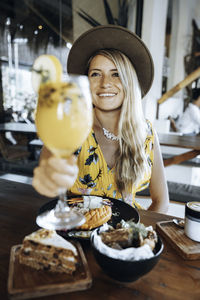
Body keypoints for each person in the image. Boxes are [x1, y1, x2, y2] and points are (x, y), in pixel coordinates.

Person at [33, 25, 169, 213]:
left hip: (126, 235)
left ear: (129, 81)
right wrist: (47, 175)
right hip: (78, 229)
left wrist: (140, 235)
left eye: (116, 74)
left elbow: (161, 200)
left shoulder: (147, 131)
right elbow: (48, 166)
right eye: (95, 74)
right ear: (85, 83)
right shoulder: (70, 125)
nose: (105, 83)